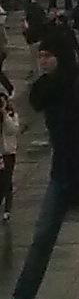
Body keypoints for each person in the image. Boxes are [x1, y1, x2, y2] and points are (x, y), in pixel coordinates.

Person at [8, 26, 79, 299]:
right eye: (41, 55)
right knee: (42, 238)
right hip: (62, 173)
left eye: (48, 55)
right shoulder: (48, 89)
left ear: (61, 57)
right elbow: (35, 100)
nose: (42, 60)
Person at [0, 90, 19, 220]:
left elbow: (13, 130)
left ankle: (7, 209)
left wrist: (4, 114)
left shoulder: (12, 115)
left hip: (8, 153)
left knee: (7, 181)